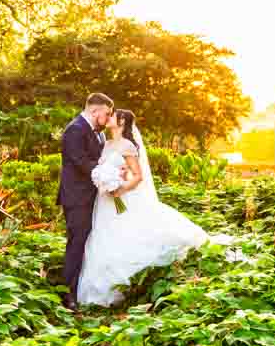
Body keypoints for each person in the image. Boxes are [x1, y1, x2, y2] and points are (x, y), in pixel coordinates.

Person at [76, 108, 213, 307]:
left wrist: (120, 188)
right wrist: (105, 179)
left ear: (121, 122)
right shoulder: (106, 144)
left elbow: (138, 176)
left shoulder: (127, 145)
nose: (109, 117)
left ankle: (126, 287)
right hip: (105, 201)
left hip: (120, 196)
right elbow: (108, 169)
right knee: (103, 237)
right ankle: (105, 291)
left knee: (124, 236)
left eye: (113, 115)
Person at [56, 93, 114, 311]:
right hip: (77, 197)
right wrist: (105, 173)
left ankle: (80, 288)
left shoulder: (98, 134)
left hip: (93, 197)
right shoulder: (75, 129)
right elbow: (79, 161)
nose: (108, 119)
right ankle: (66, 293)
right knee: (76, 243)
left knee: (87, 242)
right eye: (106, 114)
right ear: (94, 110)